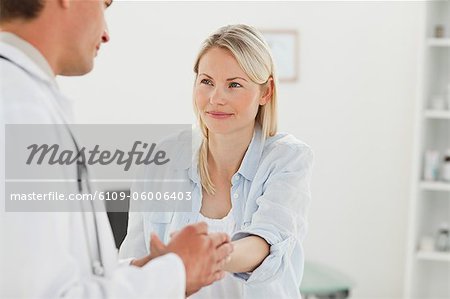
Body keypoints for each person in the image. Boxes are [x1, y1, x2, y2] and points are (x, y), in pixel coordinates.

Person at [0, 0, 232, 298]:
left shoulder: (27, 100)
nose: (107, 33)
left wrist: (145, 269)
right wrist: (176, 273)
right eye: (104, 5)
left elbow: (65, 276)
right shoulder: (18, 110)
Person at [120, 24, 313, 298]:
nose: (215, 98)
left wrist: (196, 256)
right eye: (206, 81)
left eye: (234, 84)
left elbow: (265, 244)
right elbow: (134, 260)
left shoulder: (287, 158)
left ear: (265, 92)